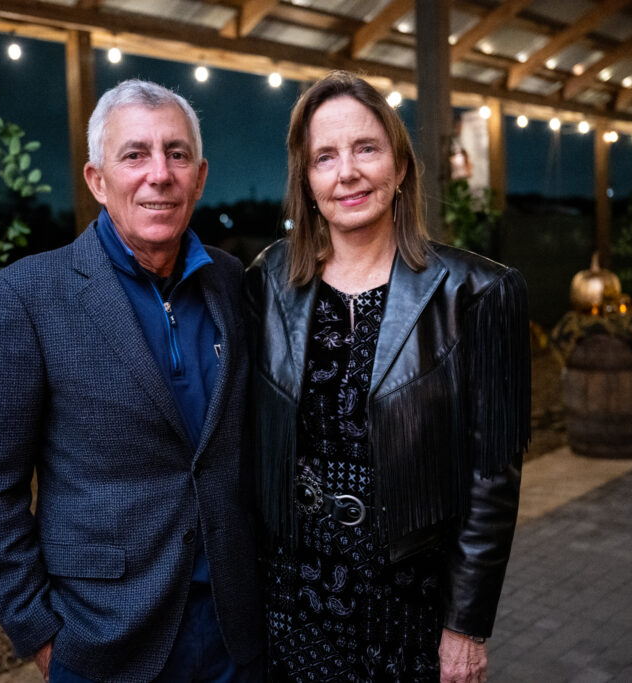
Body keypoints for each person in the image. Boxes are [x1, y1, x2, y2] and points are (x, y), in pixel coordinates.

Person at [0, 79, 263, 683]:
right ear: (97, 180)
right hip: (104, 637)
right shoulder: (25, 298)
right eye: (135, 154)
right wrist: (40, 633)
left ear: (199, 177)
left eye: (176, 154)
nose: (160, 173)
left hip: (236, 630)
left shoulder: (234, 285)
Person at [244, 71, 529, 682]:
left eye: (365, 149)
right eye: (325, 157)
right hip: (291, 599)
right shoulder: (268, 284)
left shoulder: (476, 294)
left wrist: (466, 626)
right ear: (308, 182)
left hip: (409, 606)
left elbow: (491, 480)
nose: (346, 172)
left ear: (399, 168)